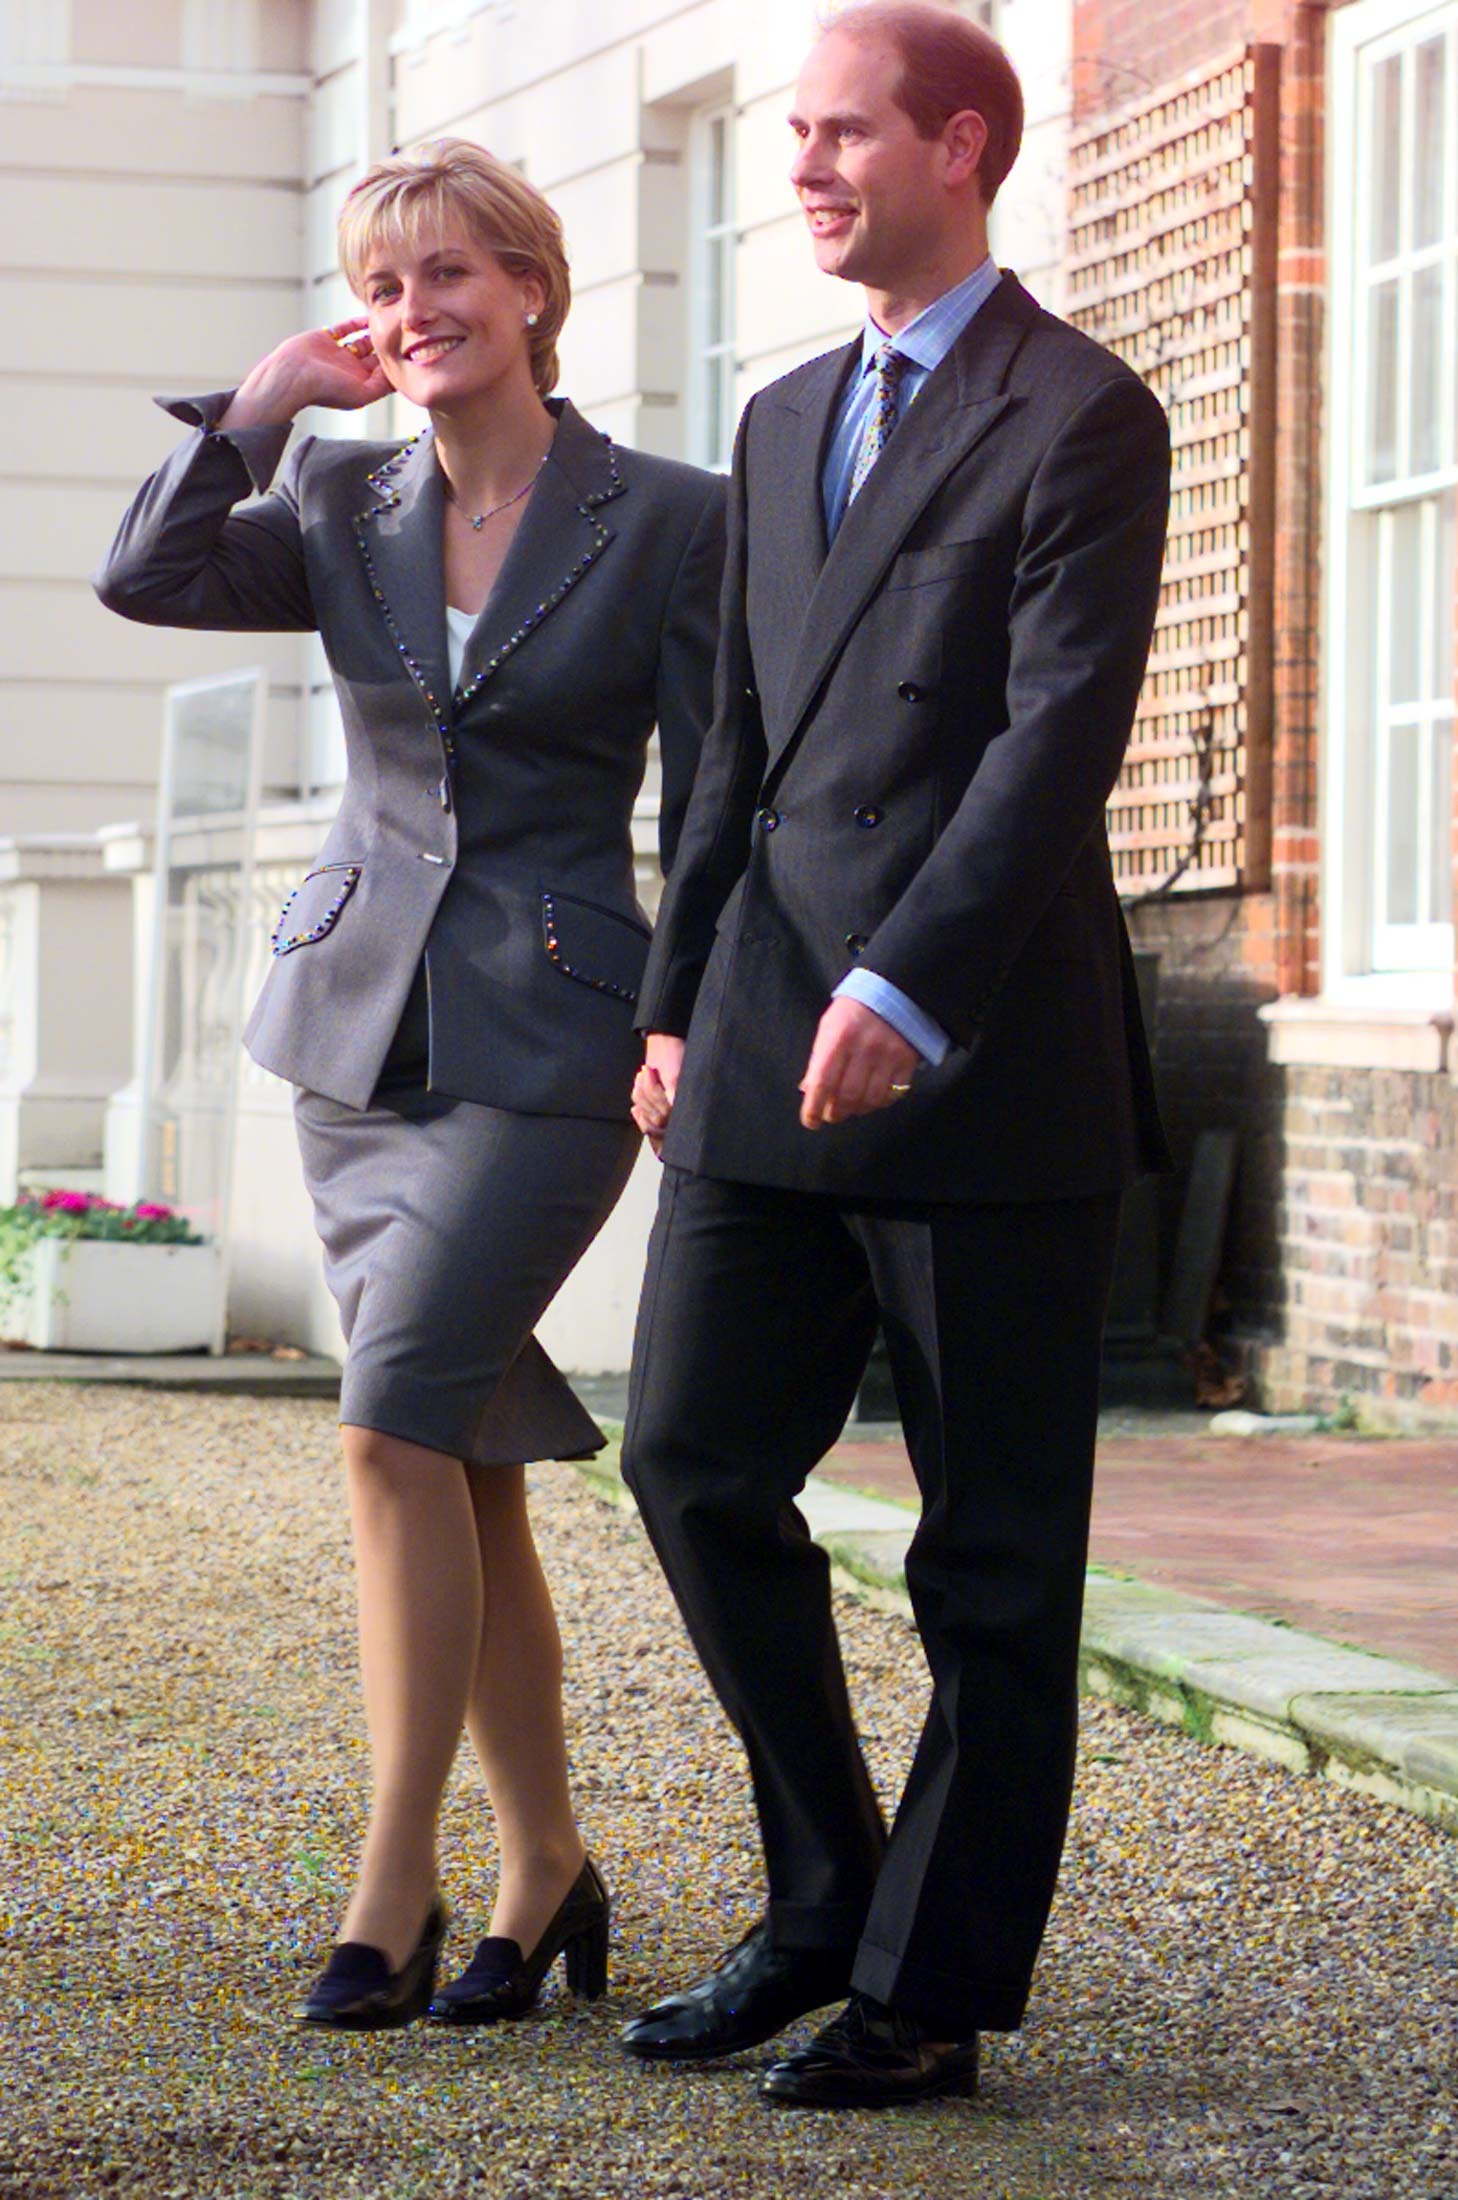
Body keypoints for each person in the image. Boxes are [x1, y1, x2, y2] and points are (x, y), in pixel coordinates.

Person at [96, 139, 724, 2031]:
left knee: (382, 1434)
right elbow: (147, 573)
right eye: (385, 285)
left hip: (552, 1047)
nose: (417, 310)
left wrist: (687, 1014)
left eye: (452, 273)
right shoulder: (342, 497)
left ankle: (395, 1879)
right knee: (458, 1459)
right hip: (353, 1045)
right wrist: (273, 398)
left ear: (532, 288)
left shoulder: (669, 516)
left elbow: (717, 796)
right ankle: (546, 1871)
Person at [620, 1, 1170, 2110]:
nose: (809, 167)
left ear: (965, 143)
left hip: (984, 1060)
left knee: (993, 1555)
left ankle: (927, 1986)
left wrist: (910, 984)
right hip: (762, 1026)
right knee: (688, 1456)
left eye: (847, 133)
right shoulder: (777, 421)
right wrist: (678, 1001)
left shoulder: (1082, 413)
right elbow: (734, 750)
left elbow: (1051, 741)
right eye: (796, 134)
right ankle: (821, 1890)